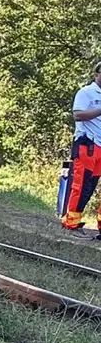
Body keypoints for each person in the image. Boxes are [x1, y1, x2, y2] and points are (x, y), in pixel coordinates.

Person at [61, 61, 101, 238]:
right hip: (87, 145)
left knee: (91, 187)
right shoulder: (86, 93)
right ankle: (72, 224)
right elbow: (78, 115)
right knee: (82, 185)